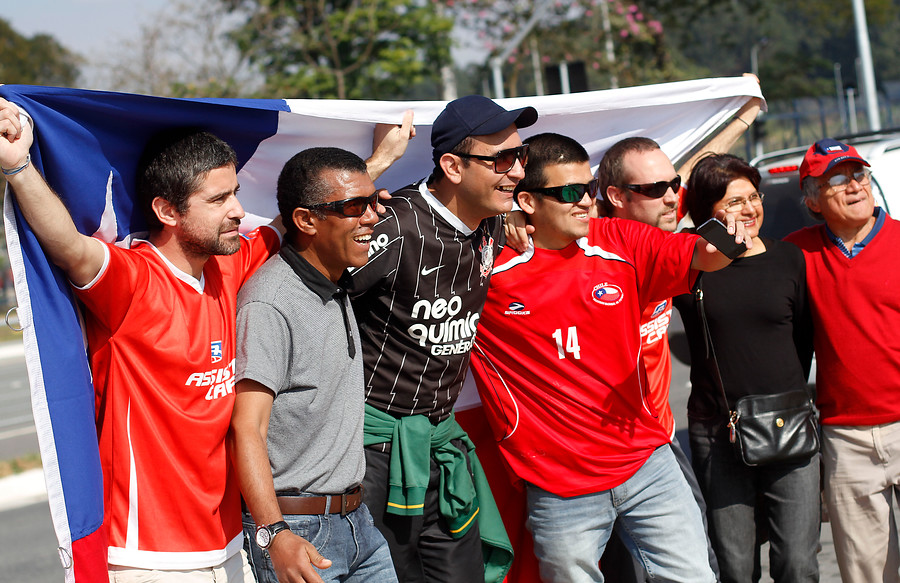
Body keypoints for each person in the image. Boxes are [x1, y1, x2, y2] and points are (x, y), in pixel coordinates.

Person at [0, 98, 411, 580]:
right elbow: (69, 247)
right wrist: (19, 166)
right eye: (218, 200)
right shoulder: (133, 281)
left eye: (235, 193)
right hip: (148, 556)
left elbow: (310, 217)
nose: (238, 211)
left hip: (228, 544)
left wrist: (381, 162)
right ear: (166, 211)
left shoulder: (231, 262)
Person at [468, 132, 750, 583]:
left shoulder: (618, 239)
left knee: (695, 576)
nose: (583, 202)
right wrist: (495, 221)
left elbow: (702, 254)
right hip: (557, 483)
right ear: (526, 201)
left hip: (646, 460)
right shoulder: (482, 265)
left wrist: (726, 243)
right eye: (567, 192)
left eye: (587, 189)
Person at [347, 94, 537, 583]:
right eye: (500, 159)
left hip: (442, 446)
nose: (516, 171)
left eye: (520, 156)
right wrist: (373, 169)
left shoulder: (492, 220)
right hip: (373, 454)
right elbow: (312, 281)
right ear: (452, 165)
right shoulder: (393, 224)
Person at [230, 147, 398, 583]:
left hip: (358, 523)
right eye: (355, 207)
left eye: (374, 202)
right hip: (298, 532)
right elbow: (246, 429)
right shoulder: (269, 302)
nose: (372, 217)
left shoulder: (336, 278)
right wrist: (275, 534)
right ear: (305, 221)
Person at [673, 153, 818, 583]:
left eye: (753, 197)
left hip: (789, 424)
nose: (750, 208)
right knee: (735, 568)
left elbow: (803, 343)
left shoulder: (789, 259)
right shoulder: (690, 264)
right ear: (706, 212)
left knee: (798, 563)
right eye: (734, 202)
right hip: (718, 433)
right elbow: (639, 230)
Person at [785, 138, 900, 583]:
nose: (853, 186)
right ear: (813, 201)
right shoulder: (797, 253)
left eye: (859, 175)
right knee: (867, 573)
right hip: (846, 438)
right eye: (836, 179)